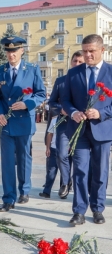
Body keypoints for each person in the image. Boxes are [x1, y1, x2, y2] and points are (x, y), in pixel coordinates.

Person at [60, 34, 112, 225]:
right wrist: (73, 112)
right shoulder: (74, 73)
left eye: (92, 51)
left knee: (100, 171)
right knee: (80, 170)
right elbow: (65, 99)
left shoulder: (111, 72)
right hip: (78, 130)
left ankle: (98, 209)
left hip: (103, 130)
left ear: (102, 50)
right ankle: (79, 211)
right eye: (85, 51)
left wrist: (101, 113)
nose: (88, 55)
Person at [0, 36, 46, 212]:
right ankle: (8, 198)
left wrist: (27, 104)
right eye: (8, 51)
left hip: (24, 122)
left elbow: (40, 94)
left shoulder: (31, 69)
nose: (11, 54)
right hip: (5, 123)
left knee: (23, 158)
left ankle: (24, 189)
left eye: (14, 51)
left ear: (22, 50)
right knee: (7, 161)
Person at [48, 51, 85, 199]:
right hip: (64, 123)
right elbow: (51, 103)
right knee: (62, 154)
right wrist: (61, 109)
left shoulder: (89, 81)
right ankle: (65, 182)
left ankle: (79, 185)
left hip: (82, 125)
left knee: (79, 158)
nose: (77, 64)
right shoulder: (61, 80)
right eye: (75, 61)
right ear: (71, 62)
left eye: (80, 62)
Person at [39, 114, 59, 198]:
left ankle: (64, 191)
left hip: (66, 150)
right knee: (51, 171)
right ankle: (47, 191)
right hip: (54, 148)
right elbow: (49, 134)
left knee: (66, 172)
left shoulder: (73, 119)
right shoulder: (55, 120)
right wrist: (48, 148)